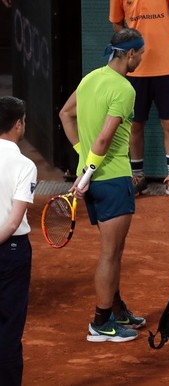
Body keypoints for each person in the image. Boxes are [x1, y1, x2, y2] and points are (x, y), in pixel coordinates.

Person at [59, 28, 147, 343]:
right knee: (110, 253)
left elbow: (65, 115)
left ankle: (118, 310)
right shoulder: (124, 89)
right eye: (141, 54)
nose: (141, 59)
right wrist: (90, 169)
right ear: (131, 54)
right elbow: (105, 138)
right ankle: (100, 323)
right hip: (111, 180)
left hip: (95, 180)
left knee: (115, 251)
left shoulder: (90, 78)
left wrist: (83, 160)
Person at [109, 0, 169, 199]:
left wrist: (166, 40)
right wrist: (131, 50)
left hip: (167, 67)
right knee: (135, 124)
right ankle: (138, 178)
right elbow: (117, 24)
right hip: (136, 70)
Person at [0, 96, 37, 386]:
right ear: (18, 124)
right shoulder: (25, 165)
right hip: (11, 252)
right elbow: (13, 221)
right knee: (9, 331)